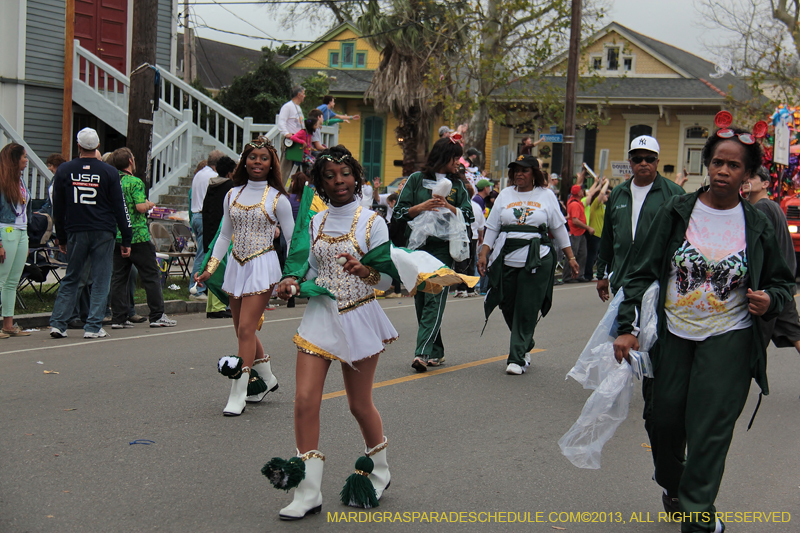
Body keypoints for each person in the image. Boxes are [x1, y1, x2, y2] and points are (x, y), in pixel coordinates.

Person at [612, 127, 793, 533]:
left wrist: (770, 300)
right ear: (706, 165)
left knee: (710, 428)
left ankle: (698, 515)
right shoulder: (677, 212)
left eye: (734, 165)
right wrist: (628, 327)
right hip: (674, 334)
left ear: (747, 174)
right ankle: (676, 486)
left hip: (730, 337)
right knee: (664, 421)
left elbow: (784, 283)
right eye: (717, 162)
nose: (723, 171)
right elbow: (640, 272)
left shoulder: (758, 225)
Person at [268, 146, 397, 520]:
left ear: (355, 176)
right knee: (305, 401)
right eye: (330, 176)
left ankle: (381, 469)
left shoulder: (372, 222)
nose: (338, 181)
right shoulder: (315, 221)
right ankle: (307, 491)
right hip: (319, 318)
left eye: (345, 174)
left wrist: (366, 272)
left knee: (359, 404)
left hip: (359, 317)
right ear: (320, 183)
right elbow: (309, 270)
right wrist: (292, 282)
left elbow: (387, 282)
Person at [194, 137, 293, 416]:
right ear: (244, 161)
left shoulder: (278, 199)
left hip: (263, 265)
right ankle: (267, 377)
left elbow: (291, 238)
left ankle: (239, 391)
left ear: (271, 162)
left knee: (247, 329)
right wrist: (210, 268)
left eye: (264, 157)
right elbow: (225, 234)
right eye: (253, 157)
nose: (258, 162)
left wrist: (292, 275)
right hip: (236, 267)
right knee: (241, 329)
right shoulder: (232, 194)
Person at [477, 155, 579, 374]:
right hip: (506, 258)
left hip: (537, 259)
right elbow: (492, 227)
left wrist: (570, 257)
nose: (519, 174)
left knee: (527, 307)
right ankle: (525, 343)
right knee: (506, 303)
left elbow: (559, 228)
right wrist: (484, 253)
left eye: (524, 170)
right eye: (516, 170)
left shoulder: (546, 195)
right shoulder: (505, 195)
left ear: (535, 173)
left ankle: (516, 359)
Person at [393, 137, 474, 372]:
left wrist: (449, 206)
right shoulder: (417, 180)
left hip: (443, 248)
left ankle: (422, 353)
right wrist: (422, 207)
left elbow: (469, 216)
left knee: (435, 296)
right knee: (421, 299)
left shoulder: (457, 185)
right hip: (417, 248)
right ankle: (436, 351)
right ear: (443, 157)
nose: (458, 163)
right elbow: (399, 211)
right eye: (454, 158)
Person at [49, 128, 132, 339]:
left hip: (76, 228)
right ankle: (93, 326)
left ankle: (58, 323)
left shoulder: (64, 170)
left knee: (73, 276)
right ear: (97, 147)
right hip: (103, 229)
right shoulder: (109, 172)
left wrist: (61, 236)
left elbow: (58, 206)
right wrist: (126, 236)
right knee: (101, 278)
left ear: (78, 146)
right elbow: (119, 206)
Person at [596, 136, 685, 300]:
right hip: (623, 280)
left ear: (657, 161)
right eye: (637, 159)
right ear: (630, 162)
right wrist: (602, 274)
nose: (643, 163)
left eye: (649, 158)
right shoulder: (617, 193)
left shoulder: (674, 193)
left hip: (658, 282)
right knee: (624, 325)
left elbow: (684, 239)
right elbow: (608, 236)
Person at [108, 148, 176, 329]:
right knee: (151, 275)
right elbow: (139, 207)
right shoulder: (134, 182)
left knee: (119, 278)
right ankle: (157, 314)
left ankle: (118, 317)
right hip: (137, 234)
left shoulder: (113, 181)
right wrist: (149, 204)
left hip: (118, 234)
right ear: (130, 161)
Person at [746, 166, 800, 353]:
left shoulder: (761, 208)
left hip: (769, 289)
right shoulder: (774, 206)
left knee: (750, 348)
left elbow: (760, 249)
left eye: (752, 176)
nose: (747, 179)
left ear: (765, 184)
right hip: (782, 285)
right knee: (795, 336)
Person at [0, 143, 33, 338]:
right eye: (24, 157)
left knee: (13, 280)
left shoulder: (20, 181)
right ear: (15, 159)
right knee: (2, 279)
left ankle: (8, 324)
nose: (26, 160)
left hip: (21, 231)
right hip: (6, 230)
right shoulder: (2, 181)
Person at [201, 156, 237, 319]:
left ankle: (212, 305)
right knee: (221, 267)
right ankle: (217, 306)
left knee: (212, 265)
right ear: (230, 172)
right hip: (222, 232)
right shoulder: (230, 188)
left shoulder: (212, 185)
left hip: (209, 228)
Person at [190, 150, 225, 300]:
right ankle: (196, 288)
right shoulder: (213, 176)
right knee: (204, 253)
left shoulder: (199, 174)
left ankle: (200, 286)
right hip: (205, 217)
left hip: (196, 215)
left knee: (202, 251)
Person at [562, 185, 592, 283]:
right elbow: (575, 220)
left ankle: (579, 274)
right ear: (579, 193)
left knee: (582, 254)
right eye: (581, 191)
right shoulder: (574, 204)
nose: (583, 192)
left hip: (580, 232)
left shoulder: (576, 202)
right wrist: (588, 227)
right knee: (572, 255)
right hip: (575, 233)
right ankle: (567, 276)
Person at [583, 177, 610, 281]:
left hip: (602, 234)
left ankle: (600, 273)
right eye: (604, 194)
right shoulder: (595, 205)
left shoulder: (603, 207)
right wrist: (605, 183)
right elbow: (601, 194)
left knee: (600, 256)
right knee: (592, 255)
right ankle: (588, 275)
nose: (606, 195)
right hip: (595, 234)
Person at [278, 86, 306, 180]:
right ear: (299, 94)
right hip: (290, 140)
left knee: (296, 167)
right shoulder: (287, 106)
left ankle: (292, 188)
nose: (304, 96)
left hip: (298, 140)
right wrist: (286, 133)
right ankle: (281, 185)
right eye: (303, 93)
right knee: (286, 166)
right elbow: (281, 121)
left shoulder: (298, 108)